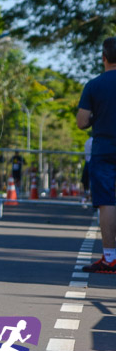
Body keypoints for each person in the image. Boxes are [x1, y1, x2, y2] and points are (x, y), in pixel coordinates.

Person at [77, 37, 116, 273]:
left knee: (107, 203)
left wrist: (96, 118)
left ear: (103, 58)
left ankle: (110, 258)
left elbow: (82, 122)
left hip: (104, 149)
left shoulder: (94, 85)